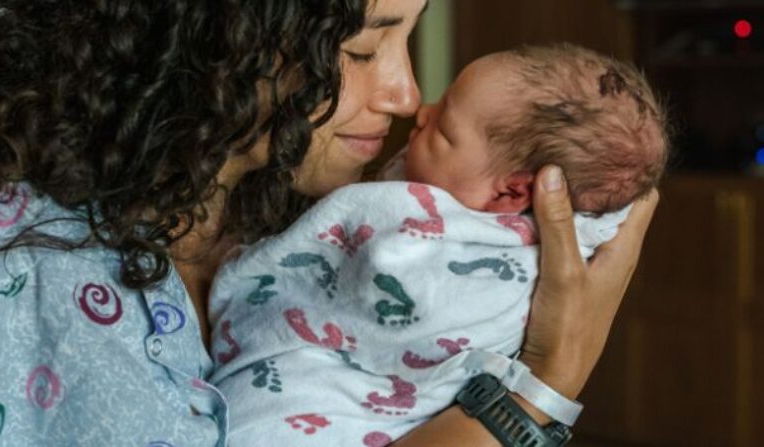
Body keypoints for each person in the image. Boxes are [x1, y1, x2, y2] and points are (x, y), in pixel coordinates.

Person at [0, 0, 658, 446]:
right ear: (224, 37)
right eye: (358, 49)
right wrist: (536, 393)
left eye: (406, 37)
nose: (407, 94)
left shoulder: (286, 213)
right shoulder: (58, 273)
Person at [208, 45, 668, 446]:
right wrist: (549, 385)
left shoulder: (484, 258)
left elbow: (391, 279)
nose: (419, 110)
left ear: (510, 193)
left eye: (445, 131)